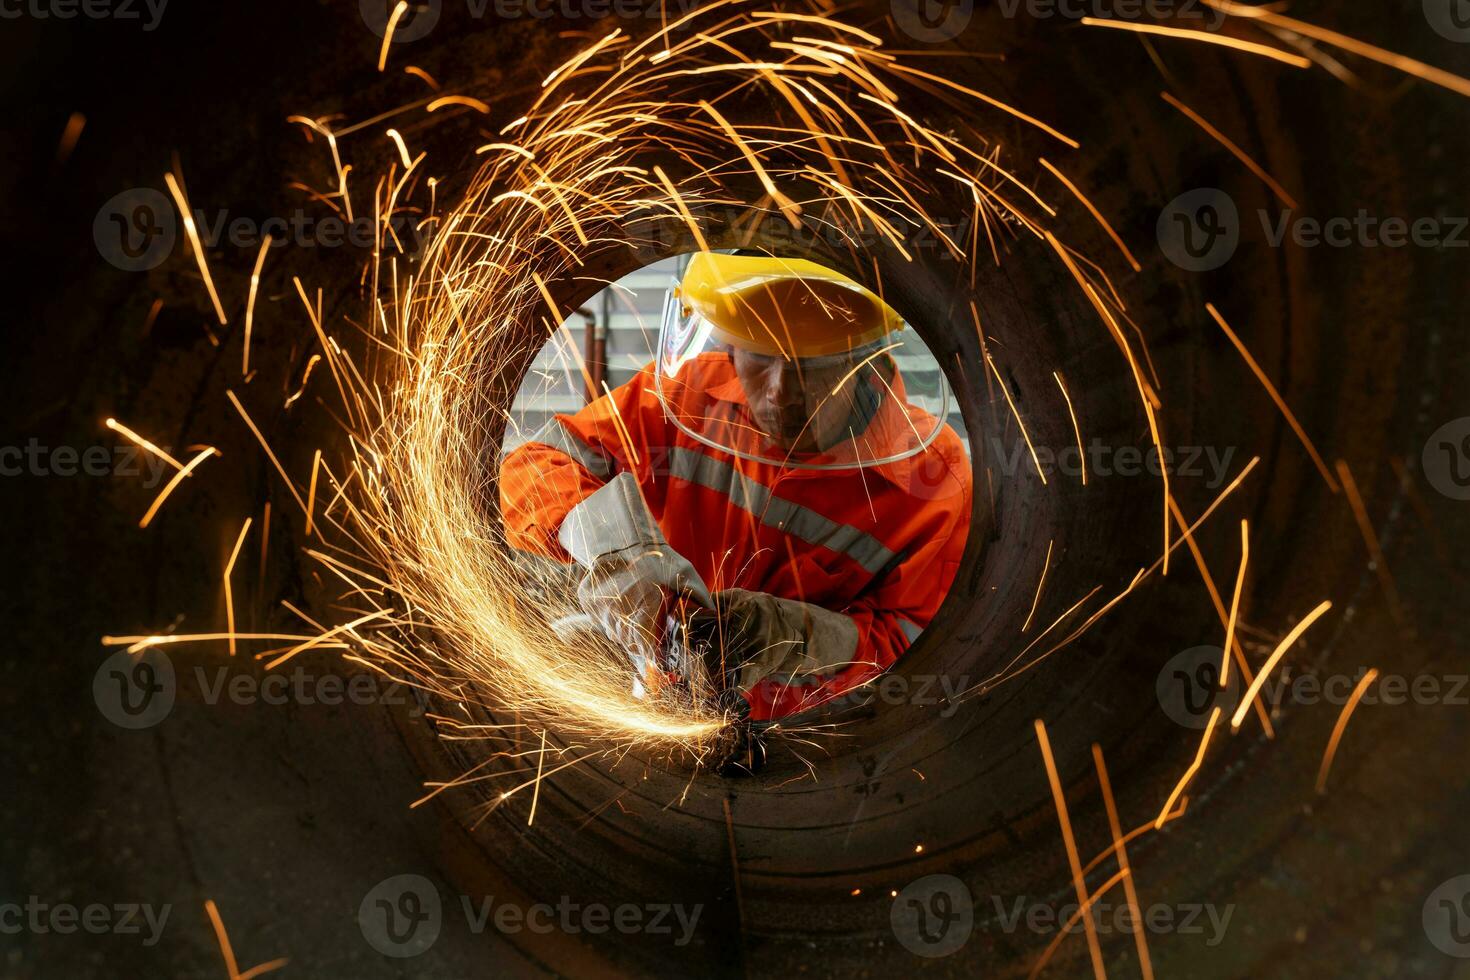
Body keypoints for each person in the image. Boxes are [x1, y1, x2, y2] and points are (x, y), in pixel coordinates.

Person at [500, 252, 971, 722]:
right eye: (761, 357)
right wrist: (614, 551)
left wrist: (801, 637)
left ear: (863, 357)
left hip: (818, 745)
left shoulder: (936, 482)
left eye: (811, 364)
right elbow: (534, 464)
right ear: (731, 345)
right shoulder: (684, 395)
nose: (780, 392)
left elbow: (922, 650)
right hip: (663, 709)